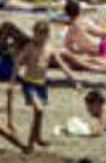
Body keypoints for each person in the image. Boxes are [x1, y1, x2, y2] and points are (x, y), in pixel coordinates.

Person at [9, 19, 79, 152]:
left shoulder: (50, 49)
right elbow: (18, 63)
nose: (38, 38)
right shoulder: (29, 47)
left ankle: (38, 137)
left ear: (47, 35)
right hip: (29, 82)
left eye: (41, 35)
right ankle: (30, 143)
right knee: (39, 109)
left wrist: (73, 80)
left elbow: (62, 65)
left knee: (39, 113)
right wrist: (12, 82)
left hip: (41, 84)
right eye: (36, 34)